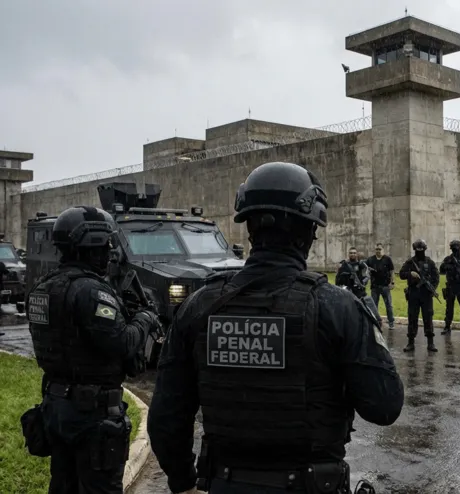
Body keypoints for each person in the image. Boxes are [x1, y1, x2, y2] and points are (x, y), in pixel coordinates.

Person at [147, 161, 404, 494]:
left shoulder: (199, 306)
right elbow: (384, 406)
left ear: (250, 227)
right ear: (309, 231)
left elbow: (166, 417)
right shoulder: (337, 307)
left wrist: (183, 483)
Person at [26, 206, 160, 494]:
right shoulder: (90, 291)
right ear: (92, 244)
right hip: (90, 415)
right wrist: (145, 318)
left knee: (63, 486)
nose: (109, 251)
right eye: (106, 244)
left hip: (55, 407)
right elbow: (123, 343)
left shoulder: (43, 287)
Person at [399, 239, 440, 353]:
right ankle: (410, 342)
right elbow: (401, 274)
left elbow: (436, 277)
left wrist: (432, 288)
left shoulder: (429, 262)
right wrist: (410, 274)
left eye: (422, 250)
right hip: (413, 293)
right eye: (418, 251)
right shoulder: (410, 262)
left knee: (428, 317)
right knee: (412, 318)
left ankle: (430, 343)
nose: (420, 253)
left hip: (426, 295)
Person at [439, 239, 460, 335]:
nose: (455, 250)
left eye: (456, 249)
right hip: (450, 286)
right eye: (454, 249)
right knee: (449, 308)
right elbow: (441, 271)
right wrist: (447, 266)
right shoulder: (448, 259)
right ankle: (447, 326)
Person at [367, 243, 396, 330]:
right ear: (375, 250)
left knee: (389, 305)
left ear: (383, 249)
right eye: (377, 249)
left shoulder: (387, 259)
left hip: (385, 286)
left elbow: (392, 271)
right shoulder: (370, 260)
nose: (378, 251)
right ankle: (375, 322)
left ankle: (391, 322)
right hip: (374, 286)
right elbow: (365, 270)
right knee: (374, 306)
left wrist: (392, 282)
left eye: (379, 249)